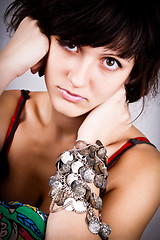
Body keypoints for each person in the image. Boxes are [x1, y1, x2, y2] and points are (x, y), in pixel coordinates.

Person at [0, 0, 160, 239]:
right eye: (70, 44)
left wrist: (87, 148)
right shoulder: (9, 108)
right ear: (43, 37)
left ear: (132, 75)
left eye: (110, 61)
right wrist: (6, 63)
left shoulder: (141, 168)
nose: (77, 79)